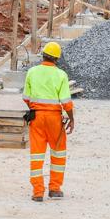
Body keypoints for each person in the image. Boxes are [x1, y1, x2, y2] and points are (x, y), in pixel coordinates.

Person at [23, 42, 74, 202]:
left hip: (36, 117)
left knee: (37, 155)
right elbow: (66, 101)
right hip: (54, 119)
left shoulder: (32, 72)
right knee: (58, 153)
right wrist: (71, 118)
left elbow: (26, 97)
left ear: (43, 55)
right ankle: (54, 189)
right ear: (57, 59)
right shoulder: (61, 75)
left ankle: (38, 192)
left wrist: (36, 107)